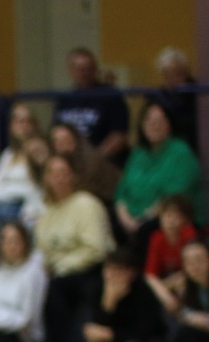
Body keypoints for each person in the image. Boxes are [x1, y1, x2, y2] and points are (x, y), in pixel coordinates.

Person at [35, 155, 114, 342]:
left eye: (64, 173)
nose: (59, 179)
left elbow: (97, 248)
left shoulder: (87, 204)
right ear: (47, 178)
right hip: (56, 270)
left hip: (91, 268)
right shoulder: (46, 212)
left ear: (73, 176)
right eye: (54, 174)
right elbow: (42, 248)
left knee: (58, 287)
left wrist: (62, 265)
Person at [115, 102, 205, 248]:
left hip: (170, 217)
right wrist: (125, 218)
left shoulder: (181, 153)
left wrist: (141, 220)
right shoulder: (137, 153)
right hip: (133, 218)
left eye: (159, 120)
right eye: (148, 120)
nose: (154, 125)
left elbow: (173, 197)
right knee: (112, 224)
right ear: (141, 126)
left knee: (147, 230)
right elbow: (121, 193)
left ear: (169, 124)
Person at [52, 47, 131, 166]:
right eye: (79, 69)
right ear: (71, 71)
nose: (84, 73)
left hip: (104, 162)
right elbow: (55, 132)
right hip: (71, 162)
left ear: (95, 69)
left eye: (88, 68)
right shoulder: (64, 99)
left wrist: (95, 159)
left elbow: (119, 135)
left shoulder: (111, 96)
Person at [0, 104, 43, 223]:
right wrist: (18, 192)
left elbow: (33, 191)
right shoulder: (8, 154)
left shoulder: (40, 150)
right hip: (3, 210)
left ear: (35, 124)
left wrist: (7, 188)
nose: (24, 125)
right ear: (12, 125)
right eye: (19, 121)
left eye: (28, 121)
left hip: (31, 213)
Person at [147, 46, 200, 152]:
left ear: (186, 72)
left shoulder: (197, 93)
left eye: (177, 73)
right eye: (167, 74)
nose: (173, 79)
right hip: (166, 147)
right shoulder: (156, 98)